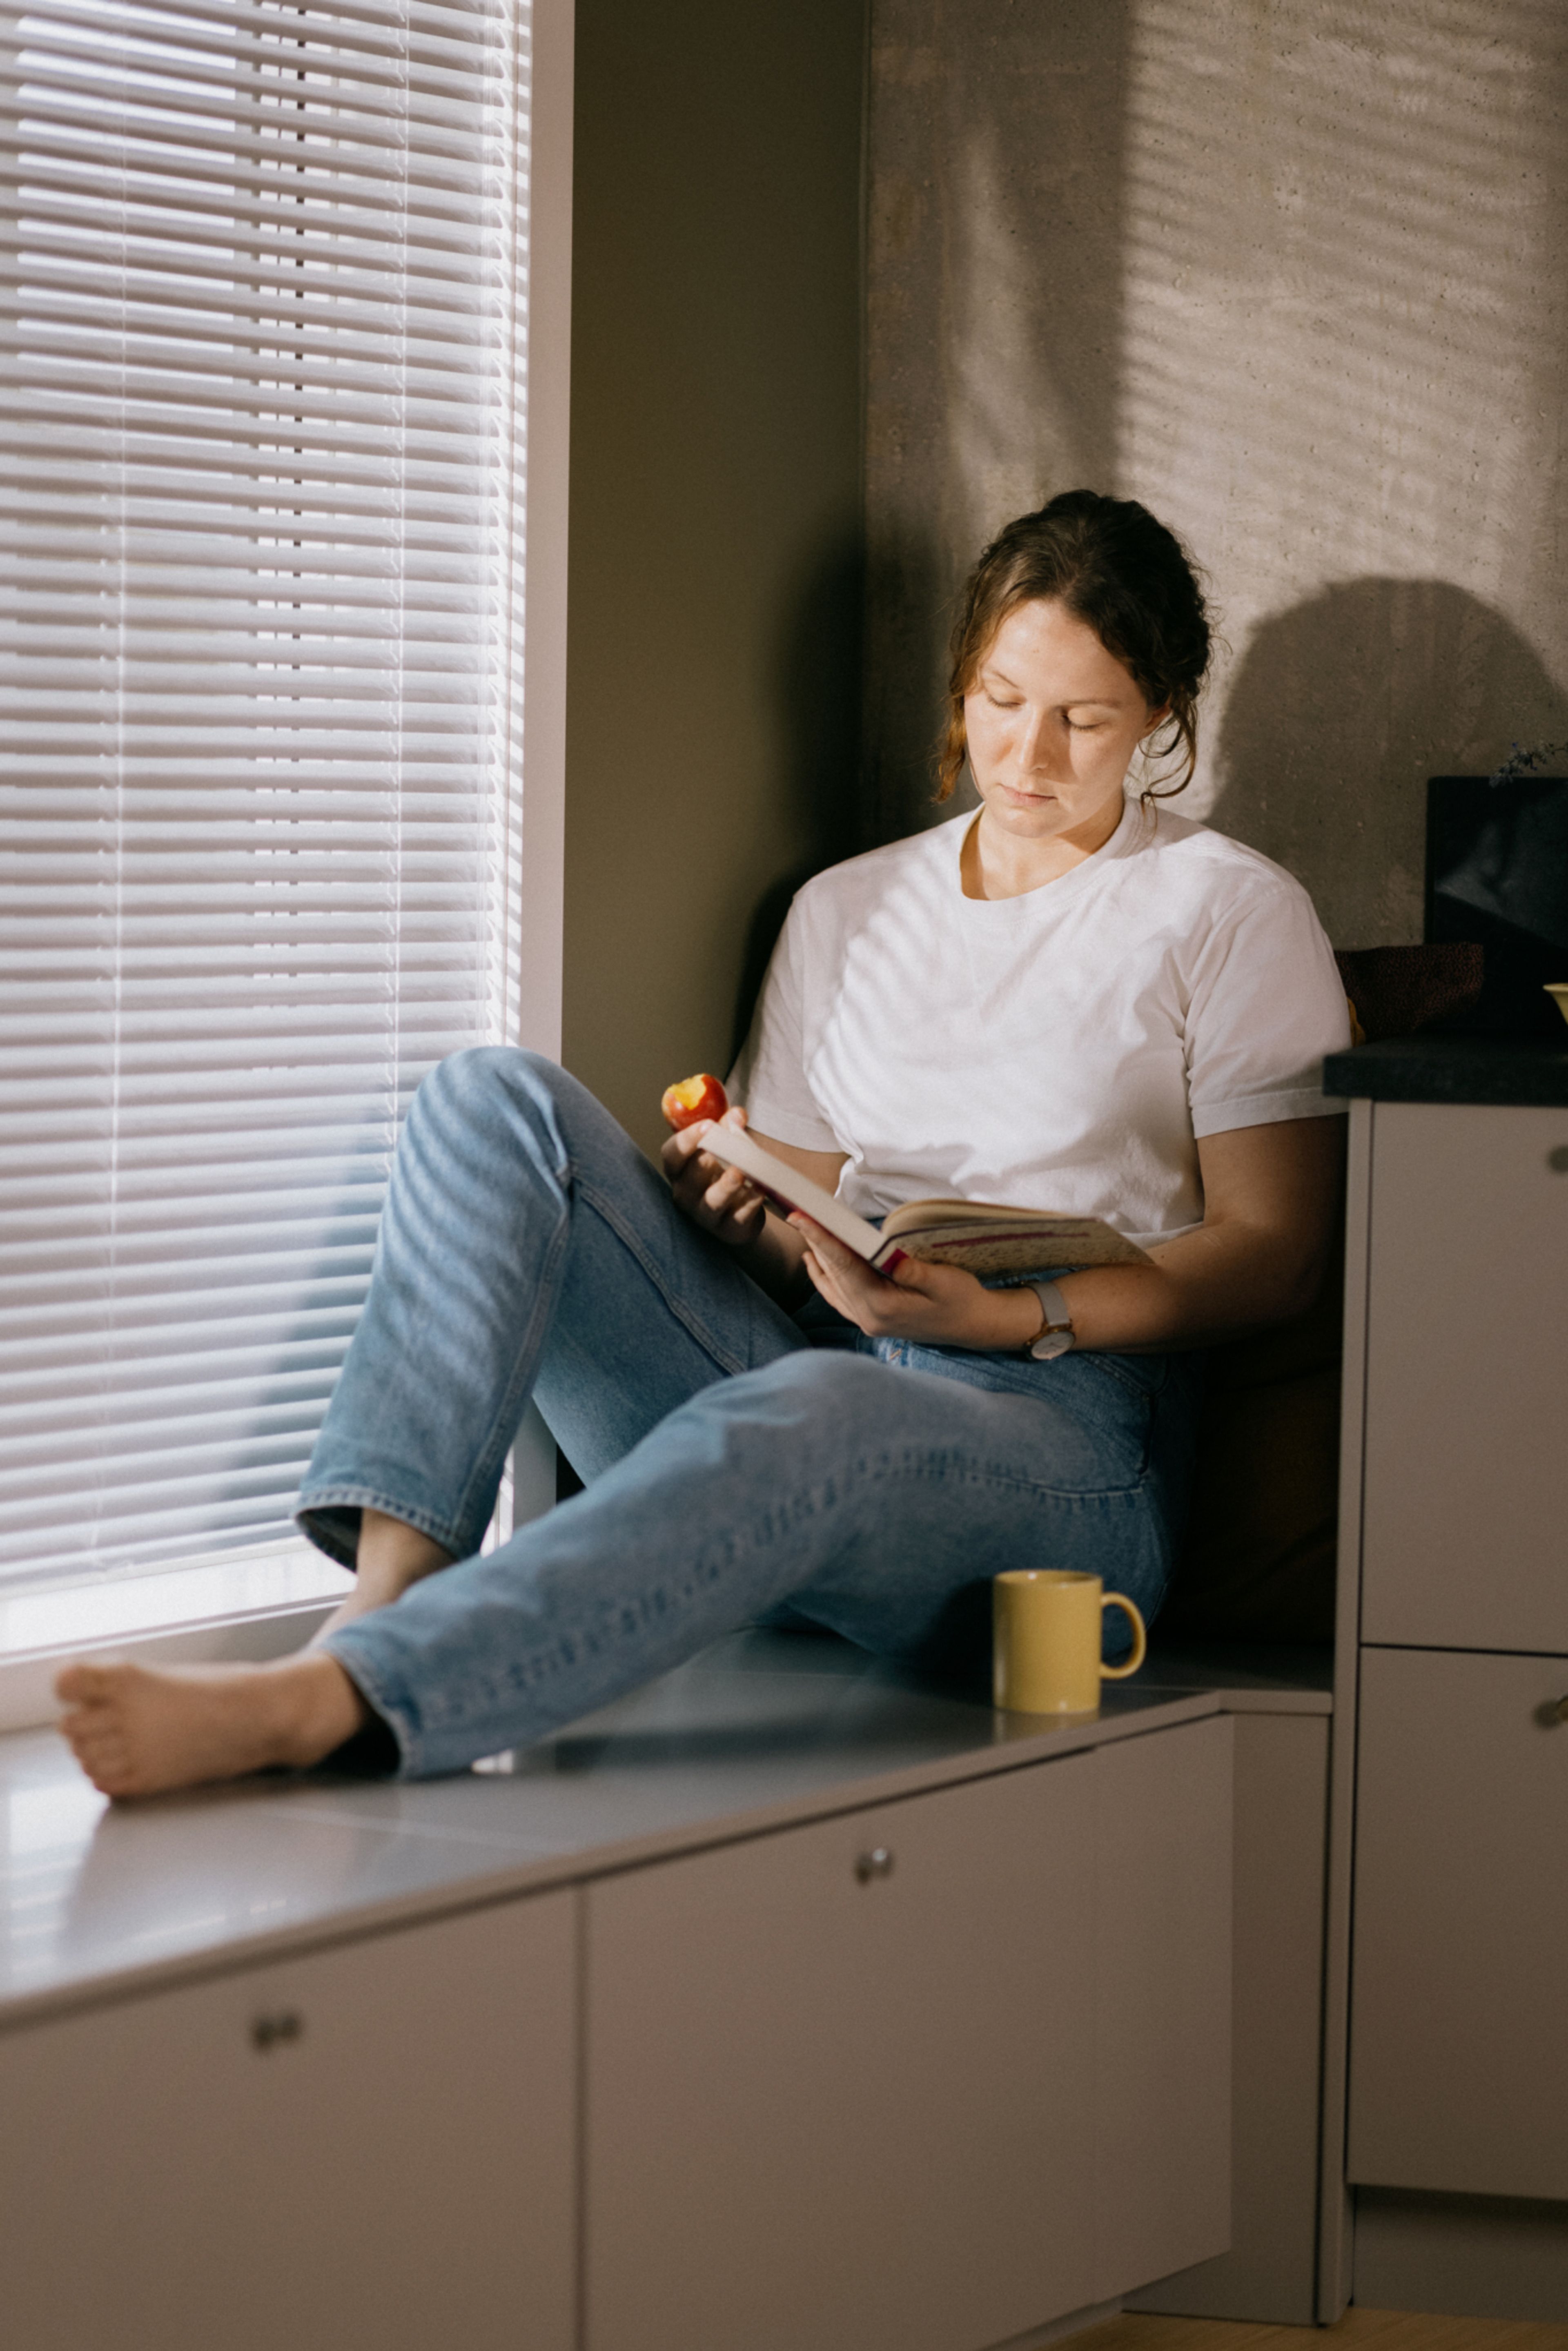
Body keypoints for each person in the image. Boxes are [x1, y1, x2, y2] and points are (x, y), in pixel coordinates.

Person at [57, 490, 1350, 1798]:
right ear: (963, 678)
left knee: (827, 1406)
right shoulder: (847, 909)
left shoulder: (1229, 911)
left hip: (1062, 1449)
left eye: (1085, 719)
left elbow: (1276, 1254)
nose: (1028, 754)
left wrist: (1010, 1320)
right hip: (818, 1373)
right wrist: (749, 1210)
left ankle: (345, 1706)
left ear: (1161, 715)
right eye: (1002, 701)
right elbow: (799, 1244)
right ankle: (380, 1609)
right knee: (490, 1099)